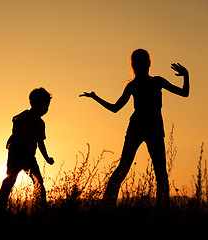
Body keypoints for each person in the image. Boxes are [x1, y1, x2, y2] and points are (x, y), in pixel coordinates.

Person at [80, 49, 189, 208]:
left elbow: (184, 93)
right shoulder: (136, 85)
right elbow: (115, 108)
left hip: (151, 129)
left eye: (142, 61)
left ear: (147, 64)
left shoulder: (153, 82)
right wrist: (95, 97)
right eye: (138, 62)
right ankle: (107, 205)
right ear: (136, 65)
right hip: (141, 128)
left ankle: (159, 210)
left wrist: (186, 75)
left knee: (155, 173)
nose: (140, 65)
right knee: (129, 169)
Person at [0, 87, 54, 210]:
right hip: (17, 154)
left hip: (29, 157)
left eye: (47, 106)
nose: (46, 108)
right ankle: (0, 206)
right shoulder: (24, 116)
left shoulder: (40, 123)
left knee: (39, 182)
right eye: (44, 105)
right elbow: (15, 120)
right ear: (35, 103)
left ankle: (41, 207)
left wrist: (47, 158)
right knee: (10, 178)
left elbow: (40, 143)